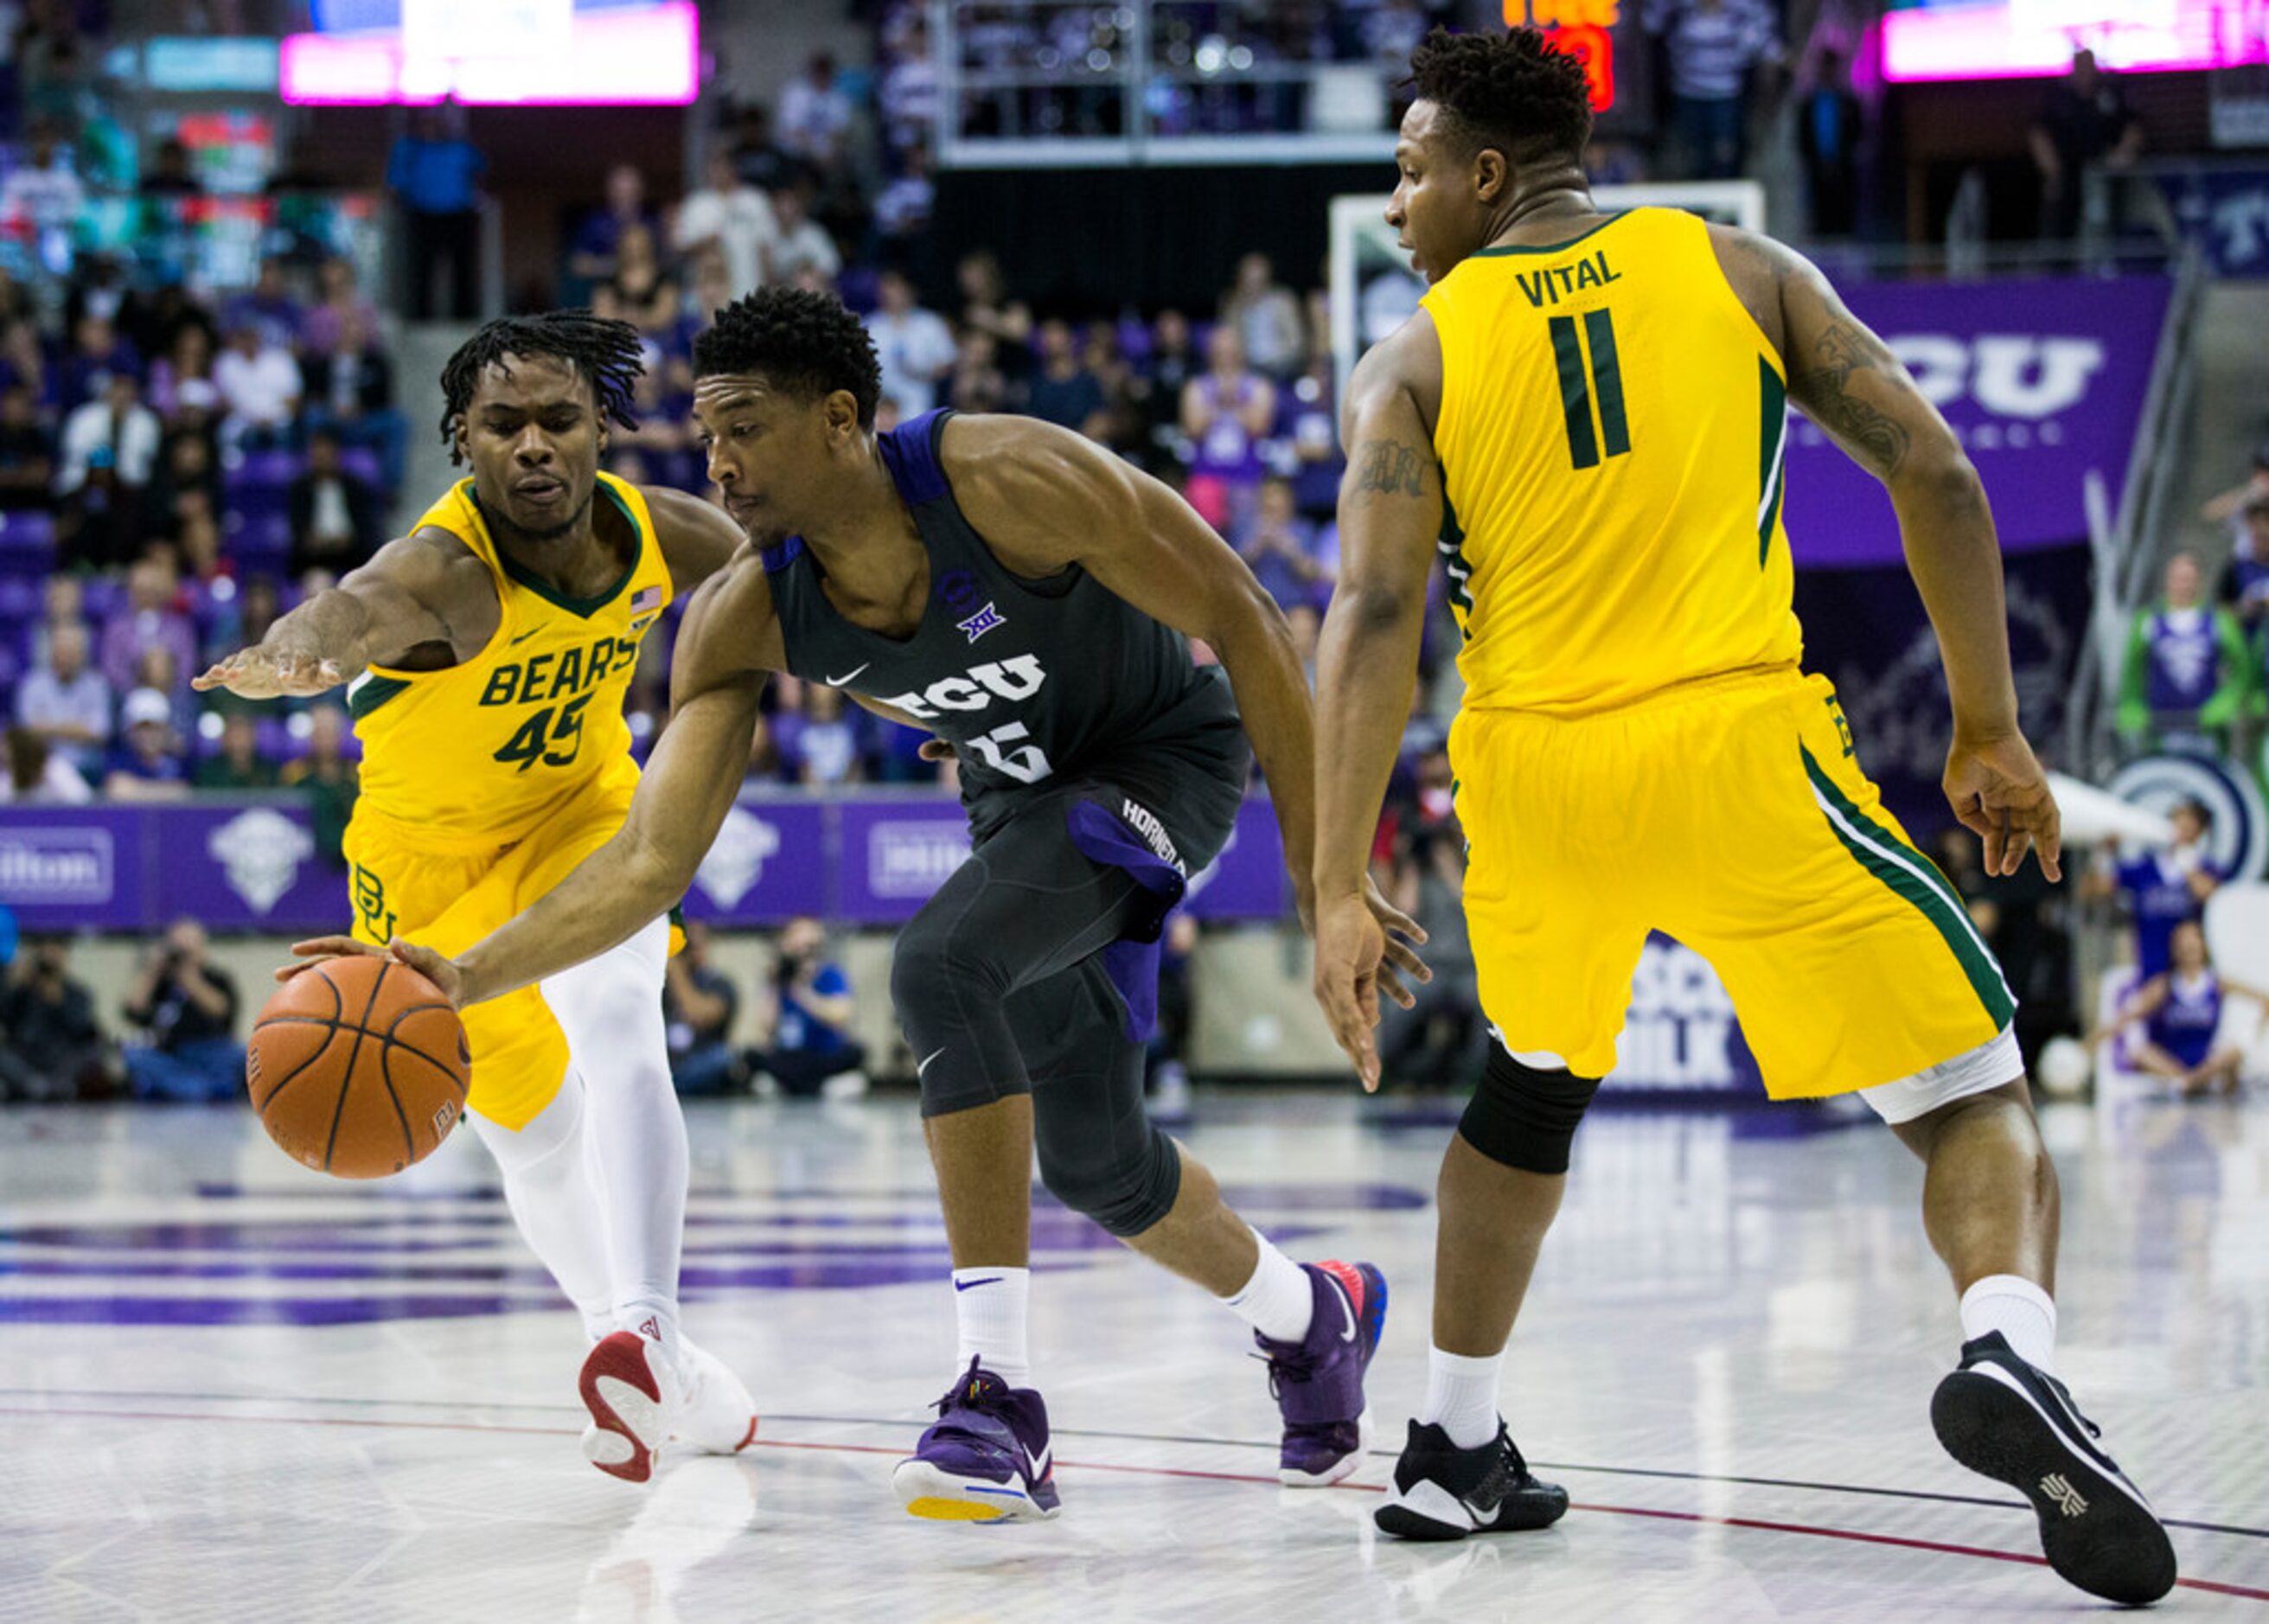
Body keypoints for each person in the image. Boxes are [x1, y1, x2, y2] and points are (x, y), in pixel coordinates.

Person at [1311, 29, 2174, 1604]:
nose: (1392, 204)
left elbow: (1369, 614)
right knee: (1967, 1088)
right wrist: (1985, 726)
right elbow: (1935, 472)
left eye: (1409, 169)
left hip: (1527, 776)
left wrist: (1329, 886)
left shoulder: (1409, 356)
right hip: (1731, 747)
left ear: (1485, 176)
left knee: (1527, 1086)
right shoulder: (1739, 266)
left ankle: (1447, 1441)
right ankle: (2006, 1349)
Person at [368, 287, 1424, 1519]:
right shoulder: (744, 613)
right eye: (707, 436)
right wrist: (462, 976)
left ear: (841, 420)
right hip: (1019, 801)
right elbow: (651, 861)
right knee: (1099, 1162)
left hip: (1157, 760)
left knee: (939, 966)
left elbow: (1242, 616)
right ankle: (1315, 1314)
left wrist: (1328, 882)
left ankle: (999, 1395)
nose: (719, 462)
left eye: (746, 429)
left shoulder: (1009, 476)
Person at [194, 311, 756, 1487]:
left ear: (603, 426)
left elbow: (799, 569)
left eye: (560, 418)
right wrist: (299, 647)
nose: (535, 444)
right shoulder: (440, 571)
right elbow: (348, 610)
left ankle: (644, 1326)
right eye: (505, 424)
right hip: (425, 872)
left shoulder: (666, 536)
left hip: (589, 814)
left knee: (619, 1015)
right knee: (535, 1139)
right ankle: (653, 1355)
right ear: (464, 438)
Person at [2094, 921, 2262, 1097]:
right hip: (2172, 1062)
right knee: (2141, 1053)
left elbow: (2263, 999)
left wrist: (2256, 1036)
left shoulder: (2217, 983)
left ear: (2203, 945)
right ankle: (2188, 1081)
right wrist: (2089, 1044)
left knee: (2234, 1051)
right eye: (2182, 943)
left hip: (2206, 1062)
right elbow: (2125, 1017)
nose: (2188, 947)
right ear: (2174, 949)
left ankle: (2196, 1080)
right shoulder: (2164, 986)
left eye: (2193, 941)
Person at [2115, 552, 2253, 752]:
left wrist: (2223, 706)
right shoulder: (2148, 621)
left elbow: (2242, 669)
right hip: (2159, 727)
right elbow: (2131, 672)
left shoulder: (2217, 620)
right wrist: (2133, 708)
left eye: (2189, 579)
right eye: (2178, 578)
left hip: (2205, 728)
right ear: (2168, 580)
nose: (2183, 585)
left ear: (2198, 582)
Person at [2081, 797, 2221, 981]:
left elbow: (2210, 896)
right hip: (2150, 973)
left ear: (2200, 831)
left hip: (2189, 979)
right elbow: (2091, 890)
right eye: (2177, 820)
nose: (2181, 828)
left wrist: (2188, 866)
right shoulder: (2146, 868)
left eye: (2189, 823)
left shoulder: (2207, 869)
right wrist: (2103, 855)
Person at [121, 919, 241, 1102]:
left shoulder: (217, 978)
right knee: (134, 1055)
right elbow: (133, 1010)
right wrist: (152, 971)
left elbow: (221, 1010)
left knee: (242, 1053)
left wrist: (189, 977)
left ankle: (185, 1088)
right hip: (172, 1055)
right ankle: (201, 1089)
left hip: (211, 1051)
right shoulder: (162, 982)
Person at [747, 915, 865, 1098]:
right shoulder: (779, 980)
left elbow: (840, 1015)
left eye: (809, 948)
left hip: (822, 1054)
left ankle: (807, 1086)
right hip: (790, 1055)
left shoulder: (830, 974)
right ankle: (802, 1086)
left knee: (857, 1051)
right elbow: (766, 1026)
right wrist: (774, 985)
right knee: (752, 1055)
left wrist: (803, 992)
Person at [386, 107, 487, 321]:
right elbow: (395, 185)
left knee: (462, 270)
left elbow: (481, 172)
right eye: (427, 123)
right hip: (422, 215)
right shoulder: (409, 149)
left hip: (457, 214)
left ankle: (464, 316)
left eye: (436, 123)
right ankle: (421, 318)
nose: (431, 128)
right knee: (422, 270)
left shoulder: (460, 148)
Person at [2031, 49, 2144, 242]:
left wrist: (2122, 154)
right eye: (2080, 67)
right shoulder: (2059, 97)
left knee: (2114, 222)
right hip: (2069, 173)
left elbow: (2134, 128)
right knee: (2063, 222)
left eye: (2088, 66)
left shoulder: (2111, 93)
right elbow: (2039, 133)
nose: (2085, 72)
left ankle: (2113, 259)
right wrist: (2052, 170)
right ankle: (2064, 266)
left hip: (2108, 172)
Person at [1179, 326, 1274, 534]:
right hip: (1207, 474)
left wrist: (1232, 402)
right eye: (1221, 350)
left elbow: (1259, 427)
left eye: (1231, 350)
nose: (1226, 356)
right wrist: (1220, 403)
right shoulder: (1197, 386)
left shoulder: (1258, 385)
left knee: (1245, 533)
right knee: (1206, 535)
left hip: (1246, 474)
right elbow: (1193, 428)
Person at [0, 933, 107, 1101]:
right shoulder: (24, 990)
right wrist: (17, 986)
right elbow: (7, 1021)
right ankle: (38, 1086)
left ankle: (49, 1087)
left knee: (94, 1052)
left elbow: (82, 1029)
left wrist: (59, 1000)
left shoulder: (77, 992)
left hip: (62, 1057)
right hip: (26, 1055)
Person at [673, 150, 778, 302]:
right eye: (714, 166)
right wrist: (706, 242)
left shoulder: (755, 200)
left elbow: (766, 248)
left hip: (750, 290)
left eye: (724, 165)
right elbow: (680, 246)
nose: (719, 171)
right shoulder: (696, 203)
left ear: (733, 167)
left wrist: (770, 287)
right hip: (707, 295)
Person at [16, 620, 110, 779]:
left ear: (82, 654)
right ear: (52, 653)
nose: (66, 659)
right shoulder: (32, 684)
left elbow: (99, 731)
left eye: (71, 653)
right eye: (61, 652)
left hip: (86, 766)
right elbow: (28, 730)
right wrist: (77, 728)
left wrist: (48, 727)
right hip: (43, 765)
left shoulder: (96, 684)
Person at [288, 430, 385, 579]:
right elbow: (298, 530)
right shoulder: (299, 489)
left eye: (327, 453)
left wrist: (349, 539)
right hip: (314, 561)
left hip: (353, 557)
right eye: (318, 454)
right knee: (317, 583)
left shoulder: (355, 487)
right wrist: (315, 541)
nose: (322, 458)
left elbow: (366, 527)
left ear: (336, 454)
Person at [663, 920, 743, 1097]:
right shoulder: (661, 985)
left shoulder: (718, 983)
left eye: (693, 945)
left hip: (697, 1060)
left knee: (723, 1058)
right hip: (667, 1063)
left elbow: (698, 1016)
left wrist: (676, 970)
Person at [867, 271, 956, 419]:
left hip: (920, 406)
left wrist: (924, 371)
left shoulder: (930, 323)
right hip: (880, 412)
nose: (891, 293)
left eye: (896, 287)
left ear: (909, 290)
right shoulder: (871, 325)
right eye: (886, 288)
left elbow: (949, 363)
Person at [105, 687, 190, 802]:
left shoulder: (179, 760)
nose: (149, 736)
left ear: (166, 730)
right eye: (143, 729)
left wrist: (135, 789)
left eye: (155, 729)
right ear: (130, 732)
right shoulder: (120, 759)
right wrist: (168, 791)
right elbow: (117, 789)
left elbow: (187, 793)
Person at [195, 712, 280, 791]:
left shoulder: (269, 769)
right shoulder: (209, 771)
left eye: (244, 735)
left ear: (253, 737)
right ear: (224, 739)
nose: (239, 742)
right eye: (235, 736)